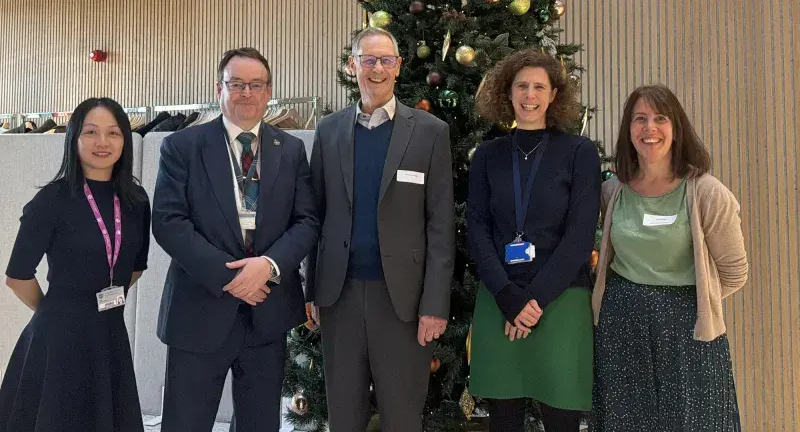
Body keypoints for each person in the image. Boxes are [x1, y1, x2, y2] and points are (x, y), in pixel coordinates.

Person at [152, 47, 318, 432]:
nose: (246, 93)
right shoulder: (182, 147)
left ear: (268, 91)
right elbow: (168, 222)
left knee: (259, 424)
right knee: (186, 423)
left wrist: (268, 266)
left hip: (267, 314)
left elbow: (307, 220)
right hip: (199, 310)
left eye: (255, 84)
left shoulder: (290, 149)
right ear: (219, 89)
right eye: (236, 84)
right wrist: (232, 277)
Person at [306, 27, 455, 432]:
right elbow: (314, 217)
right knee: (344, 417)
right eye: (367, 59)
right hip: (340, 297)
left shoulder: (429, 132)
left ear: (398, 66)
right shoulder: (328, 131)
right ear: (352, 64)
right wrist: (312, 291)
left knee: (403, 418)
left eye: (385, 60)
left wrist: (435, 304)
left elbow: (440, 228)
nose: (376, 68)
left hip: (403, 304)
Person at [592, 85, 747, 431]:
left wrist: (689, 304)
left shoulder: (706, 192)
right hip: (621, 328)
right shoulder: (611, 190)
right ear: (628, 130)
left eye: (660, 119)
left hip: (688, 330)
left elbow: (734, 273)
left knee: (694, 422)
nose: (649, 129)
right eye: (640, 119)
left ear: (676, 128)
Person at [467, 49, 600, 431]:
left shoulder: (579, 152)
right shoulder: (488, 155)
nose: (530, 95)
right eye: (521, 86)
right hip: (499, 296)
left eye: (539, 86)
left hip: (560, 299)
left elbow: (579, 237)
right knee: (504, 420)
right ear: (507, 93)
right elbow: (478, 230)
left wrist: (533, 300)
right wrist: (509, 296)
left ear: (554, 94)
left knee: (561, 418)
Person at [0, 98, 151, 431]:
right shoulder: (52, 199)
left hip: (110, 335)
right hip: (58, 339)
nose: (102, 142)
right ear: (74, 138)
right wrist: (55, 311)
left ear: (125, 139)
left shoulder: (136, 201)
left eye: (113, 133)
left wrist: (105, 300)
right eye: (91, 132)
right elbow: (18, 276)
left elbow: (135, 268)